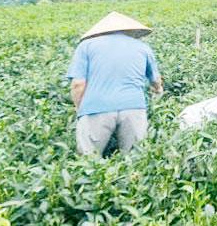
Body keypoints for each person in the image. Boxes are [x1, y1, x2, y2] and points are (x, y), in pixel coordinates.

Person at [67, 11, 163, 156]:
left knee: (88, 158)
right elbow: (155, 81)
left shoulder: (86, 46)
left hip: (95, 107)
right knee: (135, 158)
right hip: (133, 107)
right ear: (130, 30)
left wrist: (80, 108)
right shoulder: (143, 47)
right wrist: (158, 90)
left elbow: (78, 84)